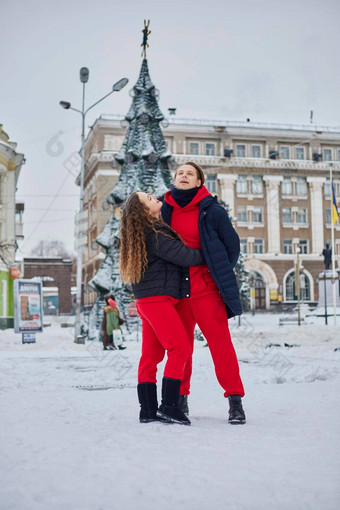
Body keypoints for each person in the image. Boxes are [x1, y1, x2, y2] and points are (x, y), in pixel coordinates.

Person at [161, 161, 246, 425]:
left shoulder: (212, 210)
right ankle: (180, 400)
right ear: (174, 180)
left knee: (221, 346)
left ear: (199, 182)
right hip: (177, 292)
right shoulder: (163, 211)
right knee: (181, 349)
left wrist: (214, 272)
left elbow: (232, 247)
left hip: (206, 291)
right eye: (180, 173)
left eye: (190, 174)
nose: (184, 176)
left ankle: (235, 401)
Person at [120, 191, 205, 425]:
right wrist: (211, 253)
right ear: (145, 211)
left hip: (147, 302)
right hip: (157, 301)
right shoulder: (156, 235)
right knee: (181, 348)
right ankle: (169, 406)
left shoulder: (147, 234)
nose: (153, 196)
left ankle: (147, 410)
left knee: (151, 356)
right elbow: (187, 256)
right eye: (148, 198)